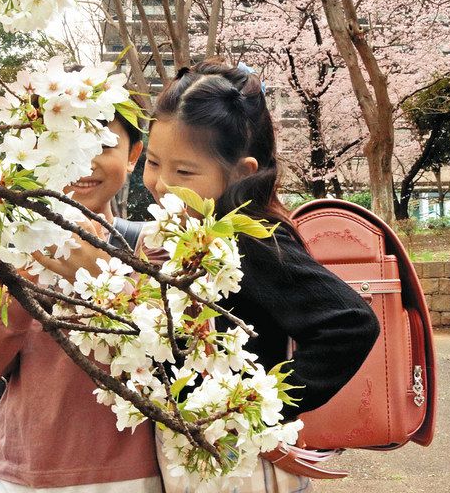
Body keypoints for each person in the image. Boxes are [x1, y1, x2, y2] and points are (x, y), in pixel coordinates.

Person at [141, 59, 381, 492]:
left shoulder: (248, 240)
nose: (160, 183)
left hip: (241, 465)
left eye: (184, 172)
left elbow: (350, 322)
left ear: (241, 172)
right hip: (199, 453)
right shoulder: (194, 231)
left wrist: (263, 406)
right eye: (154, 163)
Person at [0, 113, 163, 493]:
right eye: (64, 141)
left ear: (134, 155)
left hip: (128, 475)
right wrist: (22, 279)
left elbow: (170, 347)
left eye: (102, 143)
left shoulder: (150, 247)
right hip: (22, 470)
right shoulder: (14, 248)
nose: (82, 160)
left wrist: (100, 274)